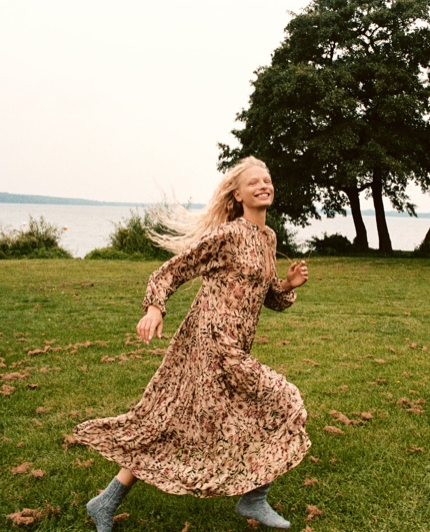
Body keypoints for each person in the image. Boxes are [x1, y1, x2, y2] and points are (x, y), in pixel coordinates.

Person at [73, 156, 311, 531]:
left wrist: (288, 287)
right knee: (283, 400)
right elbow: (173, 270)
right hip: (214, 346)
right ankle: (254, 499)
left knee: (173, 424)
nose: (264, 185)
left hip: (232, 347)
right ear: (238, 194)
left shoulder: (268, 238)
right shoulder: (228, 235)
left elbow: (266, 296)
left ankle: (106, 502)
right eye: (254, 182)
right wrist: (155, 308)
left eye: (267, 179)